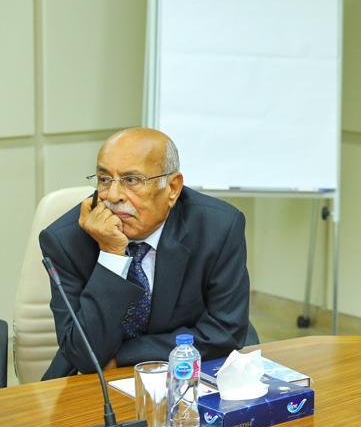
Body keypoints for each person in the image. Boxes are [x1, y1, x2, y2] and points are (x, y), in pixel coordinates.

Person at [40, 127, 252, 379]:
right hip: (93, 379)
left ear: (172, 188)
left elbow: (225, 331)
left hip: (188, 369)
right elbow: (85, 356)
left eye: (131, 180)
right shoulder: (66, 240)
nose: (113, 196)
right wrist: (112, 254)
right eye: (104, 179)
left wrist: (124, 357)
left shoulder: (217, 227)